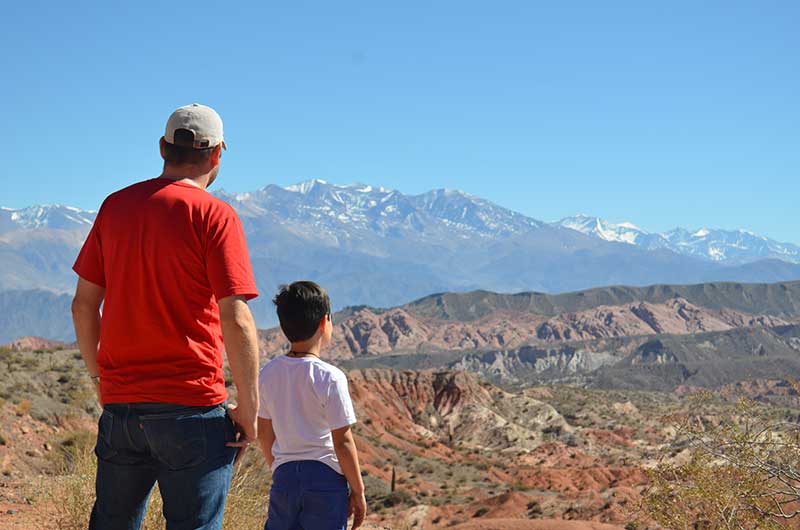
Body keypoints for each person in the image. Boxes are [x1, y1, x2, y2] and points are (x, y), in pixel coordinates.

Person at [71, 103, 261, 530]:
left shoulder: (115, 207)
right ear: (216, 155)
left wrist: (101, 380)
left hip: (121, 411)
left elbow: (83, 306)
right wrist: (249, 409)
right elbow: (237, 318)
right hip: (191, 409)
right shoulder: (214, 215)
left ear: (162, 147)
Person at [257, 282, 366, 530]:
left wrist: (278, 466)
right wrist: (358, 491)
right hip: (325, 480)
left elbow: (264, 433)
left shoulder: (268, 373)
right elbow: (343, 442)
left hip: (284, 478)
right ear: (324, 323)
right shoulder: (330, 377)